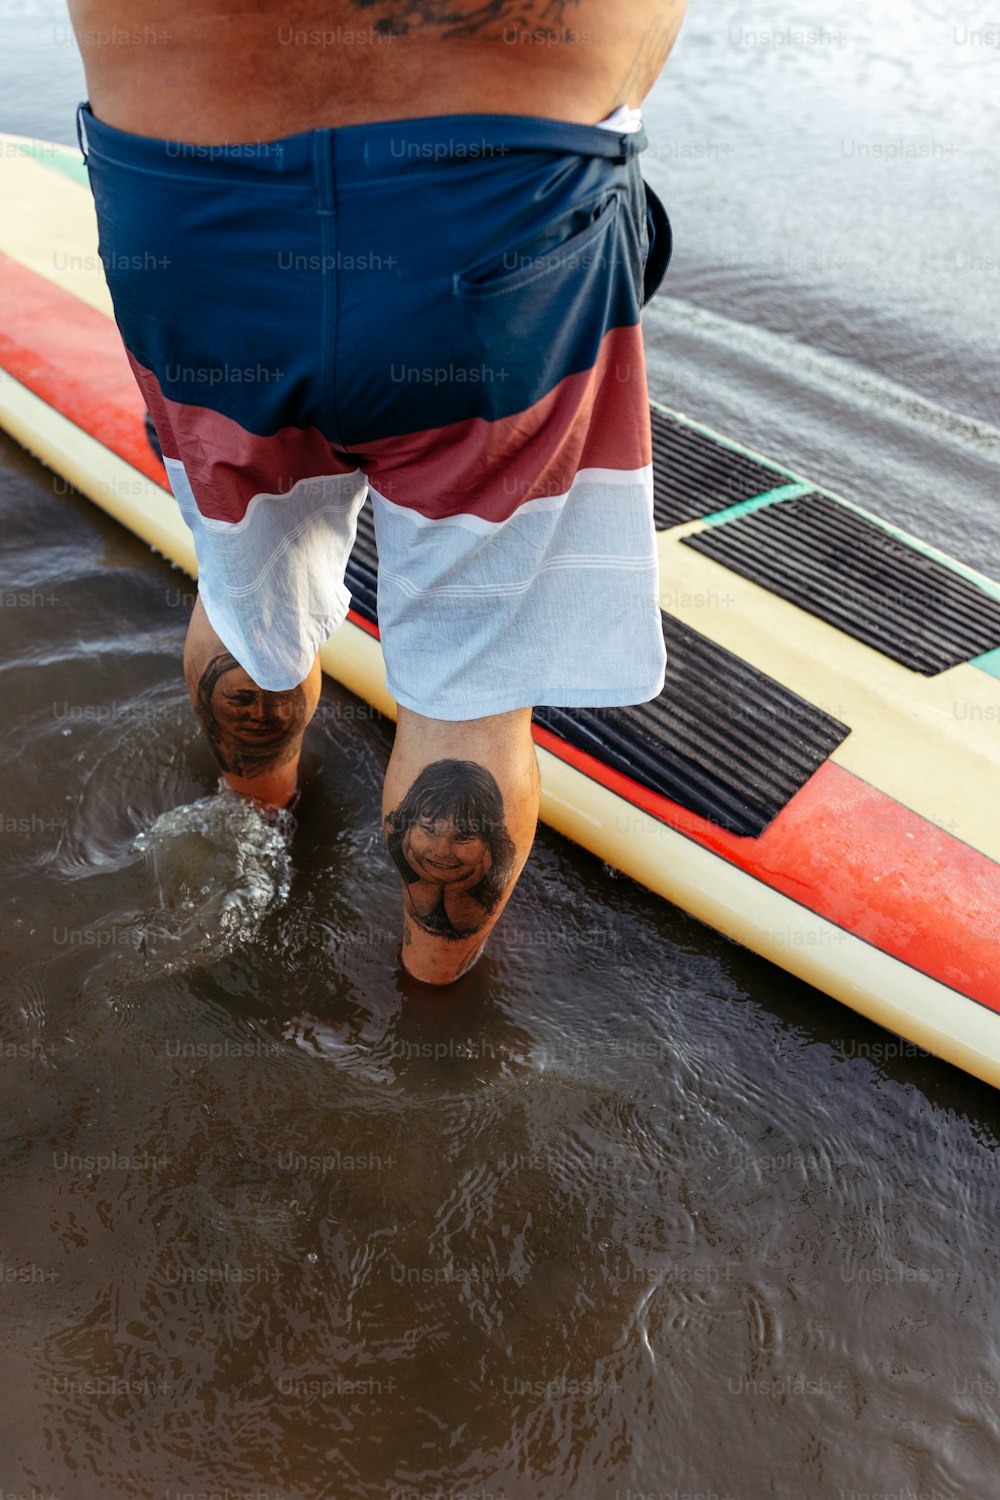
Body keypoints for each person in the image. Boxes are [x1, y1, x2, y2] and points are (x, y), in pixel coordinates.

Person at [66, 0, 688, 985]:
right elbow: (636, 48)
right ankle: (433, 996)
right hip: (498, 214)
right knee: (471, 692)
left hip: (191, 227)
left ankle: (255, 823)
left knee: (244, 586)